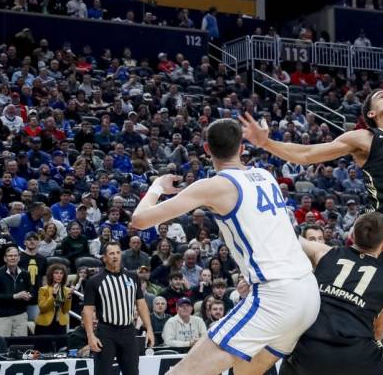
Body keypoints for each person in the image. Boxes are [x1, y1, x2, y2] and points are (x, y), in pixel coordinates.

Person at [240, 0, 383, 300]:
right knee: (368, 303)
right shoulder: (363, 138)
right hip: (381, 232)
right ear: (371, 114)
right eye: (379, 96)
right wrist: (266, 143)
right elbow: (309, 153)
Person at [129, 118, 320, 375]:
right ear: (242, 148)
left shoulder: (216, 185)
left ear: (206, 149)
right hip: (308, 292)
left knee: (182, 372)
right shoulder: (265, 175)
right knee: (245, 372)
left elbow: (140, 220)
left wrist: (156, 187)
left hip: (276, 295)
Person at [280, 212, 383, 375]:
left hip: (310, 351)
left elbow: (286, 235)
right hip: (356, 355)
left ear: (352, 236)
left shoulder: (324, 253)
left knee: (290, 361)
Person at [82, 242, 155, 375]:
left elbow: (141, 304)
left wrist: (149, 329)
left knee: (132, 372)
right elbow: (87, 311)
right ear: (104, 258)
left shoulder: (132, 277)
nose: (115, 256)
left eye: (118, 253)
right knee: (102, 372)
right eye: (111, 253)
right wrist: (90, 336)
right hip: (106, 332)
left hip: (128, 331)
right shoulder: (95, 281)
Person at [0, 246, 33, 337]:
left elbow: (30, 290)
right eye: (10, 256)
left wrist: (29, 296)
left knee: (20, 346)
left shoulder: (25, 274)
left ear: (19, 258)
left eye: (15, 255)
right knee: (3, 346)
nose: (13, 258)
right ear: (5, 258)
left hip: (20, 316)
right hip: (2, 317)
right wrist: (14, 296)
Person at [34, 263, 72, 335]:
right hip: (44, 324)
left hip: (60, 324)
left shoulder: (66, 290)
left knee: (62, 346)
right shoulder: (43, 289)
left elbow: (66, 310)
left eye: (61, 273)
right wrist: (53, 295)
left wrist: (69, 297)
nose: (59, 275)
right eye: (56, 273)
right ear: (51, 275)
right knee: (44, 346)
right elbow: (43, 308)